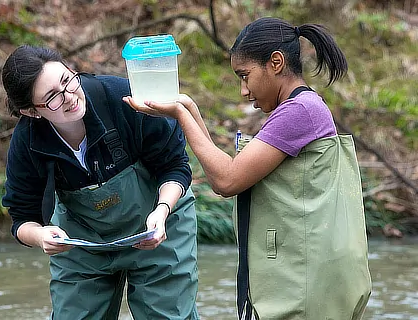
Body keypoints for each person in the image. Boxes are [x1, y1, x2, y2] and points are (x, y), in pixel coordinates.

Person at [124, 17, 372, 320]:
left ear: (276, 63)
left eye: (246, 76)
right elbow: (231, 168)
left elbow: (227, 181)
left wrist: (180, 114)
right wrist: (189, 108)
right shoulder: (301, 108)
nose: (244, 90)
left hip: (304, 277)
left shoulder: (299, 112)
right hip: (305, 270)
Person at [0, 45, 200, 320]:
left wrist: (162, 210)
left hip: (159, 226)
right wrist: (41, 236)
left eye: (67, 80)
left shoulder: (121, 98)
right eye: (53, 98)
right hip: (82, 244)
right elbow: (22, 218)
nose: (69, 97)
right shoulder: (27, 144)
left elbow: (175, 166)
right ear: (32, 112)